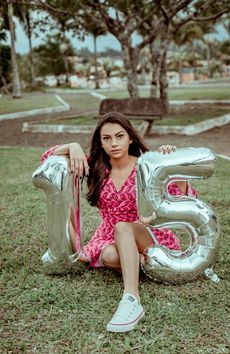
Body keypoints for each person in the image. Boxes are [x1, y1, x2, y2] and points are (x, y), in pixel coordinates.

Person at [41, 112, 197, 333]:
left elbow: (181, 197)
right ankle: (142, 263)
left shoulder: (147, 164)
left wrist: (174, 166)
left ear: (130, 138)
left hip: (147, 234)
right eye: (107, 138)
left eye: (119, 136)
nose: (114, 143)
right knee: (108, 256)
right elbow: (47, 158)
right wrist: (72, 146)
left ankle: (131, 299)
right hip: (108, 236)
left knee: (123, 227)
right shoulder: (95, 167)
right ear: (101, 143)